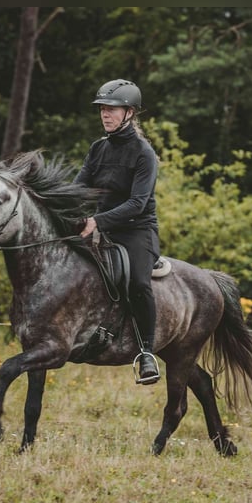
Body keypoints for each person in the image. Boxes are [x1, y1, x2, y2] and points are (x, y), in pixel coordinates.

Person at [74, 79, 161, 385]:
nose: (105, 115)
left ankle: (146, 353)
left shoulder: (144, 153)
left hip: (137, 231)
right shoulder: (98, 148)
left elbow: (137, 203)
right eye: (102, 110)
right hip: (100, 226)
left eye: (111, 109)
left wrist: (97, 221)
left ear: (130, 113)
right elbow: (78, 189)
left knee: (138, 282)